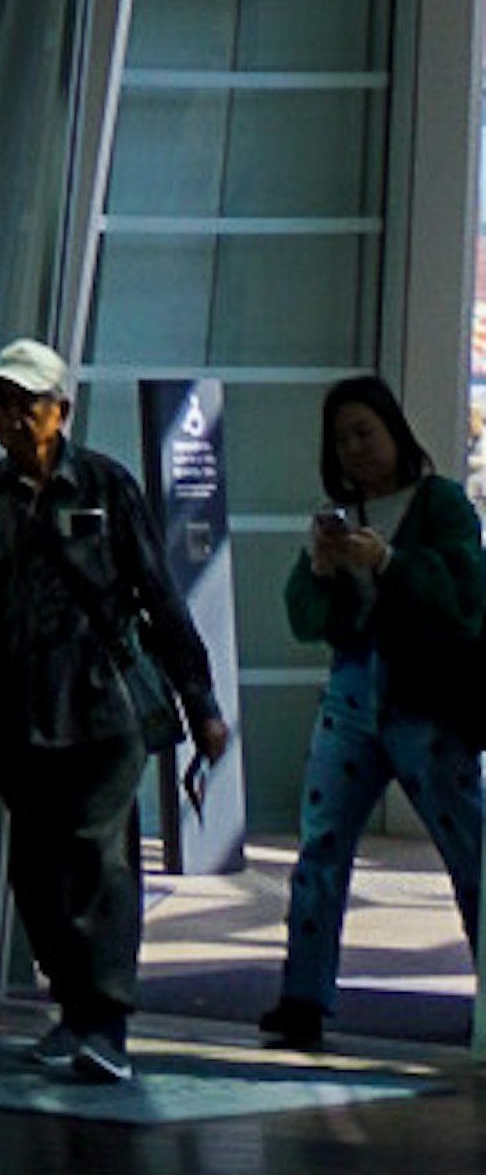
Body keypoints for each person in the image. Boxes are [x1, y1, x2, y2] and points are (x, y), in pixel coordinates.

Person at [0, 333, 227, 1089]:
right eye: (0, 403)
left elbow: (161, 601)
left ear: (61, 412)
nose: (9, 418)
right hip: (21, 711)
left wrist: (201, 704)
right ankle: (74, 1008)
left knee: (100, 861)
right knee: (36, 870)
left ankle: (106, 1021)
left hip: (103, 710)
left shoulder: (108, 489)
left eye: (25, 404)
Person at [257, 370, 486, 1048]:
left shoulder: (440, 504)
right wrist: (323, 572)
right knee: (320, 845)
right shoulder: (341, 517)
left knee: (470, 851)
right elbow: (305, 618)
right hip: (353, 698)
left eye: (365, 432)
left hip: (427, 704)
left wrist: (390, 561)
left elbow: (465, 601)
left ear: (395, 431)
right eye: (342, 439)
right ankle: (303, 997)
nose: (355, 450)